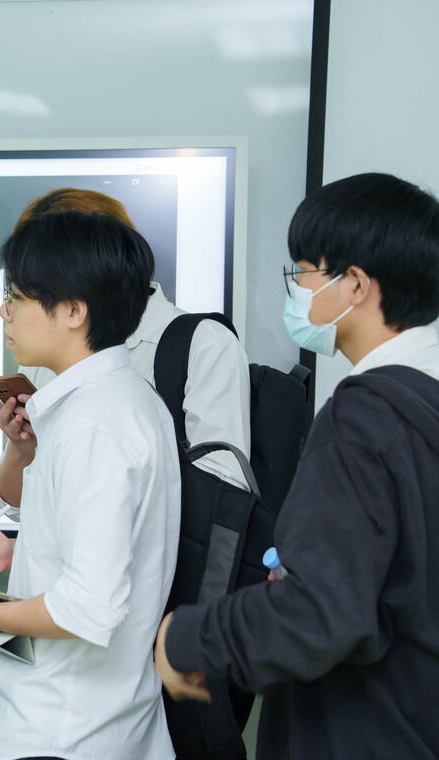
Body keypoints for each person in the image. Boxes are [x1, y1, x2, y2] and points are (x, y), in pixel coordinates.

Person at [154, 172, 439, 758]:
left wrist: (187, 636)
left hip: (363, 731)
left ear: (354, 284)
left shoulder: (364, 417)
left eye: (304, 271)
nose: (298, 289)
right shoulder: (424, 403)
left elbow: (319, 612)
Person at [0, 210, 182, 759]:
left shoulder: (94, 425)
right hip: (91, 718)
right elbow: (108, 555)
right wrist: (23, 550)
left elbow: (88, 607)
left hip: (64, 732)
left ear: (74, 311)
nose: (4, 312)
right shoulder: (116, 400)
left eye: (16, 297)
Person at [0, 188, 250, 525]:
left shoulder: (204, 344)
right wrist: (22, 447)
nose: (6, 310)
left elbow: (225, 492)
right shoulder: (45, 353)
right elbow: (24, 511)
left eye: (22, 293)